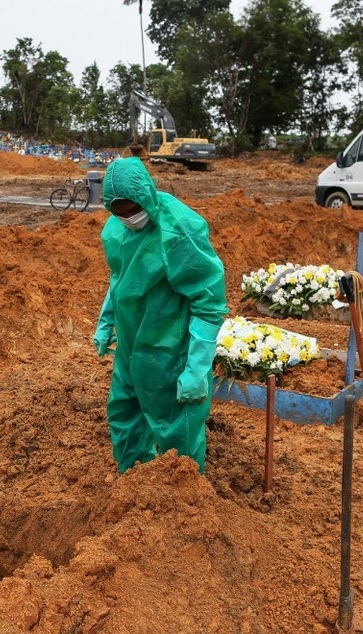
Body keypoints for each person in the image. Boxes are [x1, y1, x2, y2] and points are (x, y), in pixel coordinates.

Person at [93, 157, 227, 474]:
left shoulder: (179, 230)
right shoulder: (116, 229)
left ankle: (183, 500)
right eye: (119, 211)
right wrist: (107, 319)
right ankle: (137, 481)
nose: (128, 217)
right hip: (130, 345)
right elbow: (120, 279)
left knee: (176, 427)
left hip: (170, 349)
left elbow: (208, 300)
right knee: (124, 413)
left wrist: (196, 366)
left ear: (146, 195)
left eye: (131, 209)